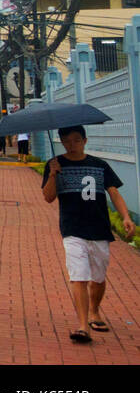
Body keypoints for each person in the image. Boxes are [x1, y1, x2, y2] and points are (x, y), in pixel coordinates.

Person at [41, 125, 135, 344]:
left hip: (99, 228)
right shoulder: (55, 164)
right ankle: (83, 326)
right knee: (78, 276)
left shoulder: (99, 165)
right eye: (66, 141)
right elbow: (48, 197)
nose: (71, 145)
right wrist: (53, 174)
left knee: (98, 277)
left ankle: (95, 310)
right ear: (61, 142)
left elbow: (114, 193)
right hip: (72, 229)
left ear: (85, 140)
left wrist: (126, 217)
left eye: (76, 140)